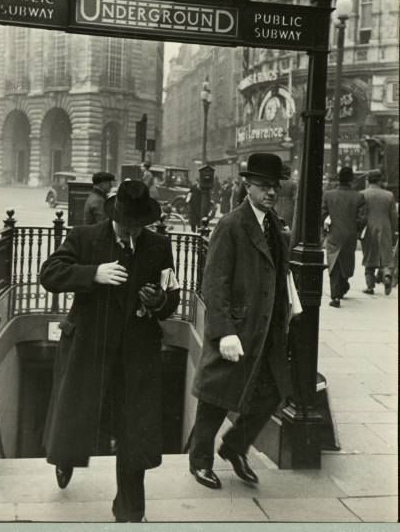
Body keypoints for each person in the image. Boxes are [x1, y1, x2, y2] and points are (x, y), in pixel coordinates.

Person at [40, 180, 180, 522]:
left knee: (135, 428)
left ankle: (130, 511)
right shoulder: (84, 237)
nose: (132, 230)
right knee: (76, 417)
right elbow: (49, 274)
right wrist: (93, 274)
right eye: (127, 223)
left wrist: (159, 301)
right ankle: (65, 459)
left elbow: (171, 293)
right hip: (90, 346)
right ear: (115, 215)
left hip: (135, 354)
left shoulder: (159, 245)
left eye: (138, 224)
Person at [189, 153, 293, 490]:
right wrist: (223, 332)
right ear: (247, 186)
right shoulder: (232, 224)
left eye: (274, 186)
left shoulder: (273, 224)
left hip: (267, 330)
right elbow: (214, 283)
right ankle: (200, 461)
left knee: (273, 391)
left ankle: (234, 447)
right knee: (217, 395)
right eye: (263, 186)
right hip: (238, 327)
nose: (271, 192)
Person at [321, 166, 367, 308]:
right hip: (350, 234)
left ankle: (335, 296)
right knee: (347, 261)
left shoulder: (328, 195)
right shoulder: (359, 196)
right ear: (351, 179)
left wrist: (327, 226)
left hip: (334, 233)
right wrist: (356, 229)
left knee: (333, 263)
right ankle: (343, 285)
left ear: (338, 178)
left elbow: (323, 214)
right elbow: (362, 218)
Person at [360, 169, 397, 295]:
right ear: (380, 180)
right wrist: (393, 231)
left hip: (369, 228)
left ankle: (370, 287)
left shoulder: (363, 194)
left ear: (368, 180)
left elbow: (360, 214)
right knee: (386, 255)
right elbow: (393, 216)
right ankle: (387, 275)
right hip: (385, 227)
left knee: (369, 256)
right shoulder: (389, 195)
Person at [275, 165, 297, 229]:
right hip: (289, 207)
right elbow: (295, 198)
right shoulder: (293, 184)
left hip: (277, 205)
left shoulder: (277, 182)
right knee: (288, 225)